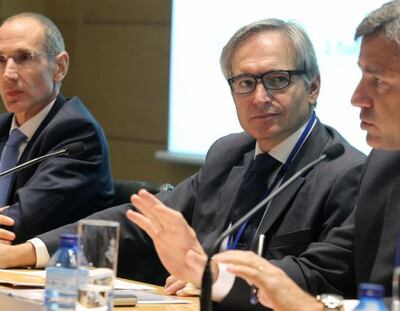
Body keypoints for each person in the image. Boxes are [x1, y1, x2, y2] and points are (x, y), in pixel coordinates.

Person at [0, 18, 364, 309]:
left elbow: (316, 277)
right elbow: (143, 220)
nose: (259, 97)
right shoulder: (229, 153)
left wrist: (213, 274)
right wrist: (28, 252)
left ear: (313, 87)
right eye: (244, 83)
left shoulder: (344, 171)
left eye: (277, 80)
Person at [211, 0, 400, 310]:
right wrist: (214, 274)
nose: (357, 98)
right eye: (245, 83)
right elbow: (332, 265)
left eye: (378, 81)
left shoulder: (348, 168)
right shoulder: (386, 167)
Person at [0, 13, 114, 244]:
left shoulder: (77, 135)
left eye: (24, 57)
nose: (8, 74)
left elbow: (18, 224)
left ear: (59, 67)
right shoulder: (4, 127)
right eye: (0, 60)